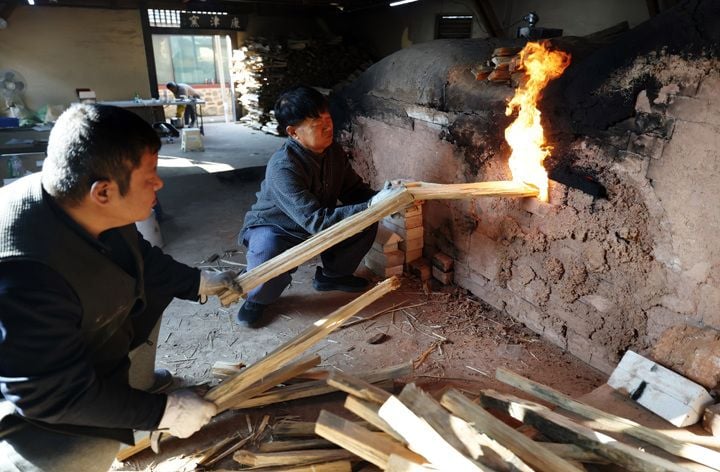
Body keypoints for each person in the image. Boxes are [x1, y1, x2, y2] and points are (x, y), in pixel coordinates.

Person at [0, 104, 238, 471]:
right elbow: (45, 394)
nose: (159, 183)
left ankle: (131, 387)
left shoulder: (80, 198)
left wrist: (198, 282)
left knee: (150, 288)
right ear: (103, 192)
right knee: (84, 451)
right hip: (32, 384)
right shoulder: (26, 275)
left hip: (68, 332)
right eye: (150, 176)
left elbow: (138, 255)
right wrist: (165, 412)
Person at [236, 85, 396, 328]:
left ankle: (333, 276)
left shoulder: (333, 153)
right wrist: (373, 204)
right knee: (267, 250)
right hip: (278, 228)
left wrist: (388, 196)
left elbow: (354, 191)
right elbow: (316, 221)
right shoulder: (283, 167)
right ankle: (256, 299)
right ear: (293, 132)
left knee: (367, 217)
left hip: (315, 222)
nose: (328, 128)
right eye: (316, 124)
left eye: (328, 120)